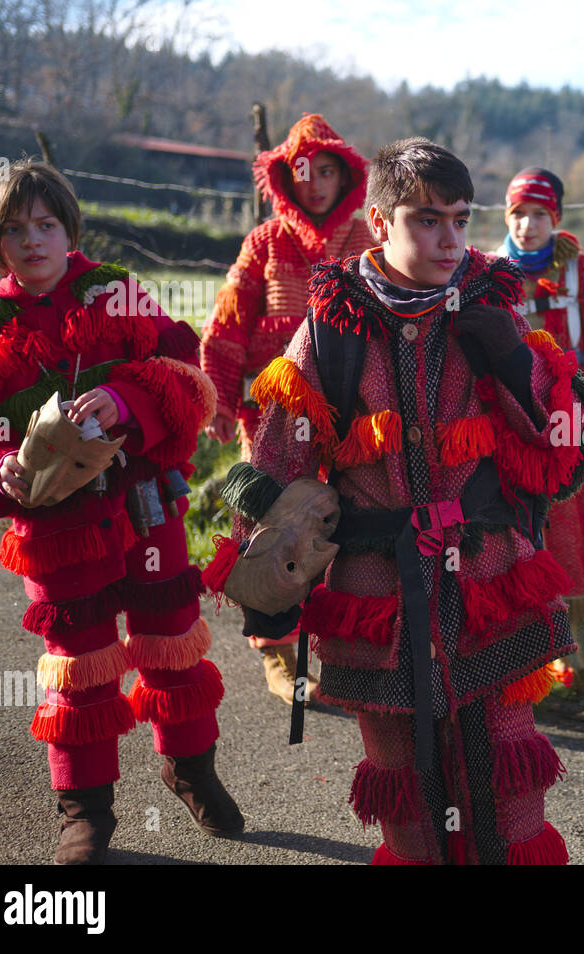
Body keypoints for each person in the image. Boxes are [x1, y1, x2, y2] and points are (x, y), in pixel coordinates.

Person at [209, 137, 584, 864]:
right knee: (408, 793)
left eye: (459, 218)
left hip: (490, 583)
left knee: (509, 783)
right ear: (381, 221)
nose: (449, 238)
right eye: (427, 220)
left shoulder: (495, 307)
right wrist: (267, 582)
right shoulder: (330, 326)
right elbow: (275, 458)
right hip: (375, 597)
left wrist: (515, 363)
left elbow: (562, 452)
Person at [0, 159, 241, 864]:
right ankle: (84, 812)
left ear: (68, 227)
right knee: (79, 665)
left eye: (46, 224)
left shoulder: (118, 295)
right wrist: (0, 466)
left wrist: (128, 402)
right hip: (54, 532)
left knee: (172, 642)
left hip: (146, 509)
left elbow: (187, 374)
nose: (33, 241)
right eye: (14, 229)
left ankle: (190, 767)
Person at [200, 114, 372, 704]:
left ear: (346, 176)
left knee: (335, 528)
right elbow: (224, 330)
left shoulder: (367, 245)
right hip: (271, 418)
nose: (315, 182)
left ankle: (341, 648)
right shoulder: (264, 244)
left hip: (349, 419)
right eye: (303, 171)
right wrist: (221, 399)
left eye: (327, 171)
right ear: (285, 177)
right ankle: (276, 653)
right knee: (269, 524)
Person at [495, 167, 584, 676]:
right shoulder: (490, 269)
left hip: (571, 423)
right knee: (509, 530)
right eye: (518, 214)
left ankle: (573, 651)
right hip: (508, 422)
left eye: (538, 215)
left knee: (568, 531)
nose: (527, 225)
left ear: (556, 218)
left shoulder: (582, 274)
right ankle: (518, 650)